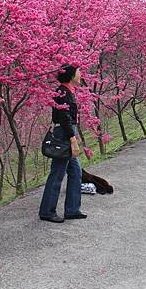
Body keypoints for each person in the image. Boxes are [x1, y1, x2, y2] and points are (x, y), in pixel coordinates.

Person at [39, 64, 87, 223]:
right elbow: (64, 117)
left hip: (68, 131)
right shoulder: (62, 91)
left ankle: (72, 210)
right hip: (65, 134)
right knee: (58, 172)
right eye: (79, 72)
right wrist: (73, 139)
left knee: (76, 172)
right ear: (72, 75)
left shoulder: (69, 91)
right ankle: (47, 211)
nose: (81, 74)